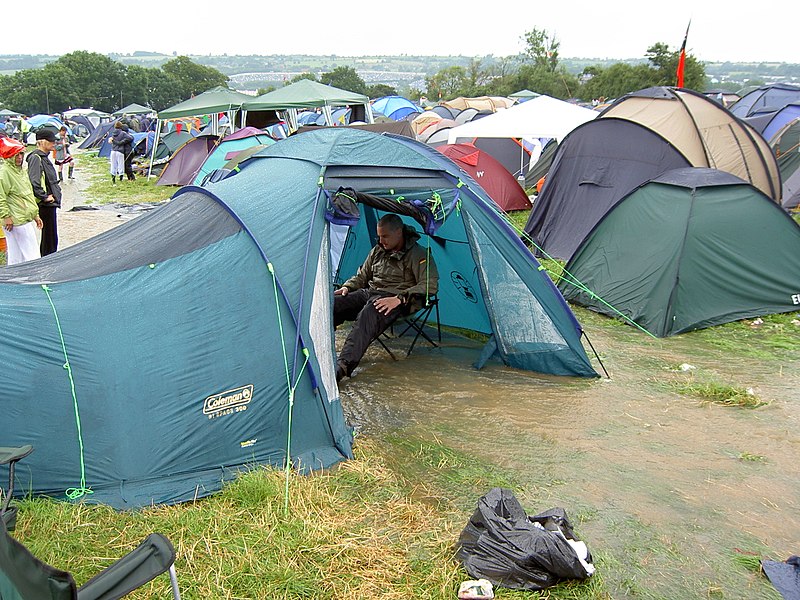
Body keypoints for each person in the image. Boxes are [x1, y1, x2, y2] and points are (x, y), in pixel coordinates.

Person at [333, 213, 438, 382]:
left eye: (385, 236)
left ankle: (343, 367)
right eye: (379, 236)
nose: (381, 241)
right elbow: (362, 276)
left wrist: (399, 298)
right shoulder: (377, 251)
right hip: (370, 293)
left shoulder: (418, 254)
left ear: (399, 232)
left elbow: (430, 284)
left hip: (396, 300)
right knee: (333, 304)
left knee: (369, 312)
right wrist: (347, 286)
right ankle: (318, 351)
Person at [0, 138, 43, 264]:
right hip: (16, 219)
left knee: (16, 255)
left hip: (22, 217)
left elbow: (27, 194)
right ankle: (36, 279)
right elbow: (1, 197)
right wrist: (6, 216)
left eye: (21, 154)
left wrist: (35, 215)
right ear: (9, 156)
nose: (19, 157)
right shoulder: (4, 173)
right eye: (16, 155)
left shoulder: (21, 171)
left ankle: (17, 280)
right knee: (31, 254)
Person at [26, 129, 62, 256]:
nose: (53, 143)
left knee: (52, 236)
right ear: (41, 142)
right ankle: (47, 261)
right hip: (45, 204)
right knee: (49, 237)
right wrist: (44, 197)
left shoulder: (44, 157)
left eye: (54, 140)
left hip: (51, 202)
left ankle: (50, 258)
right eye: (50, 140)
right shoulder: (36, 158)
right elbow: (34, 181)